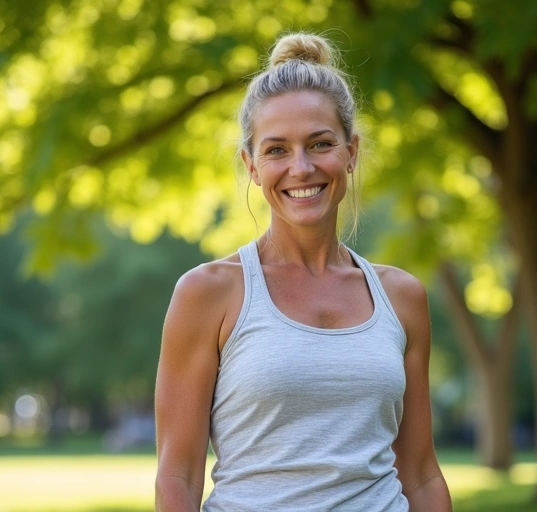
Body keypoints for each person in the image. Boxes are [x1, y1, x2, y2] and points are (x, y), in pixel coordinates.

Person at [154, 32, 452, 511]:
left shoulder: (402, 296)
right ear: (251, 166)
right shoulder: (208, 293)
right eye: (276, 150)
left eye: (320, 144)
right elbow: (177, 477)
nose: (301, 167)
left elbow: (420, 476)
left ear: (351, 152)